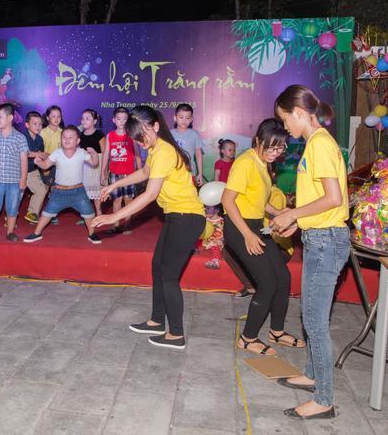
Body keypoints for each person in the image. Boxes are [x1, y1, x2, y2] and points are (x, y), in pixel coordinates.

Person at [93, 106, 206, 350]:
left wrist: (115, 217)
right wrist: (115, 185)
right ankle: (156, 321)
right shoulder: (156, 148)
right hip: (176, 215)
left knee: (169, 275)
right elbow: (145, 172)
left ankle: (176, 334)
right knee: (158, 266)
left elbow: (150, 194)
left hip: (187, 217)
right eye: (137, 139)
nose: (141, 143)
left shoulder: (164, 151)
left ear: (155, 126)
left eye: (142, 137)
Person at [270, 84, 350, 420]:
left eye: (285, 119)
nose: (285, 126)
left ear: (299, 113)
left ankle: (324, 399)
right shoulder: (318, 142)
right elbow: (322, 200)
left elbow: (333, 198)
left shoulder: (319, 144)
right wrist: (299, 223)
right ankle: (313, 375)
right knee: (311, 314)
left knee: (315, 322)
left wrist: (292, 214)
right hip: (320, 235)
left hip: (327, 240)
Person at [221, 119, 304, 357]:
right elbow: (227, 200)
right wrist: (247, 235)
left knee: (283, 277)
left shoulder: (263, 163)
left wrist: (279, 212)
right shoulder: (246, 162)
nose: (275, 152)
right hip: (239, 227)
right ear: (258, 140)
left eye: (280, 147)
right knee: (267, 283)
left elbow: (258, 200)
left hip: (257, 225)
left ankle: (276, 332)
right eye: (271, 147)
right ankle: (247, 339)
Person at [24, 125, 101, 244]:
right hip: (59, 191)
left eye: (70, 137)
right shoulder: (57, 153)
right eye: (64, 137)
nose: (67, 139)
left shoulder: (81, 152)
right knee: (47, 213)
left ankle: (92, 234)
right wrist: (39, 162)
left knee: (89, 214)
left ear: (77, 141)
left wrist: (94, 154)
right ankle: (36, 233)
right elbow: (46, 165)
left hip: (78, 191)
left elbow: (94, 163)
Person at [0, 103, 28, 245]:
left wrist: (23, 178)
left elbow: (23, 160)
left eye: (0, 117)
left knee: (12, 206)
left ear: (10, 118)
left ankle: (10, 232)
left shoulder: (20, 138)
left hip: (14, 180)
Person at [100, 106, 142, 234]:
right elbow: (106, 154)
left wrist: (140, 171)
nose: (122, 121)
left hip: (129, 173)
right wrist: (103, 172)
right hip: (114, 173)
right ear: (114, 120)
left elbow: (137, 154)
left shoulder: (131, 135)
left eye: (125, 119)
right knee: (117, 199)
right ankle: (116, 224)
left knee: (128, 199)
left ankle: (128, 223)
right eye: (119, 119)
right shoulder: (110, 135)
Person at [23, 111, 48, 224]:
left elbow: (40, 154)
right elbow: (24, 153)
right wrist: (39, 154)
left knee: (42, 189)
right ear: (27, 125)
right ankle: (9, 218)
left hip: (33, 170)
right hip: (19, 171)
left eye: (40, 124)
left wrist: (45, 159)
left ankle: (32, 213)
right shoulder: (22, 137)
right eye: (35, 123)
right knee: (17, 195)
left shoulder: (39, 139)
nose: (38, 126)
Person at [79, 109, 106, 218]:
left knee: (96, 190)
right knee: (85, 191)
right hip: (85, 166)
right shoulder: (80, 135)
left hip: (97, 166)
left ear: (94, 121)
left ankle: (99, 212)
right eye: (82, 118)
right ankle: (87, 215)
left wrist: (104, 170)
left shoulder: (99, 135)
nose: (84, 121)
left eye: (87, 118)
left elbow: (104, 153)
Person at [170, 103, 204, 186]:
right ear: (175, 118)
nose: (184, 120)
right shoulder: (169, 134)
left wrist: (200, 173)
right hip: (171, 174)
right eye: (181, 117)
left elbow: (198, 154)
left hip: (189, 174)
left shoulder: (194, 134)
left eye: (187, 118)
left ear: (191, 119)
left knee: (189, 193)